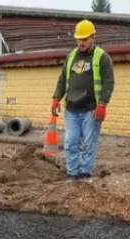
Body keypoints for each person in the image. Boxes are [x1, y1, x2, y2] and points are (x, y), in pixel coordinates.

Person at [51, 19, 115, 183]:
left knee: (89, 144)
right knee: (70, 143)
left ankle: (85, 174)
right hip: (72, 109)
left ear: (93, 37)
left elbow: (108, 81)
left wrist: (102, 104)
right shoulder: (71, 56)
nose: (81, 43)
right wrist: (56, 98)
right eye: (79, 39)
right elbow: (62, 79)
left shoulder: (102, 57)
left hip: (91, 109)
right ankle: (72, 174)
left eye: (84, 39)